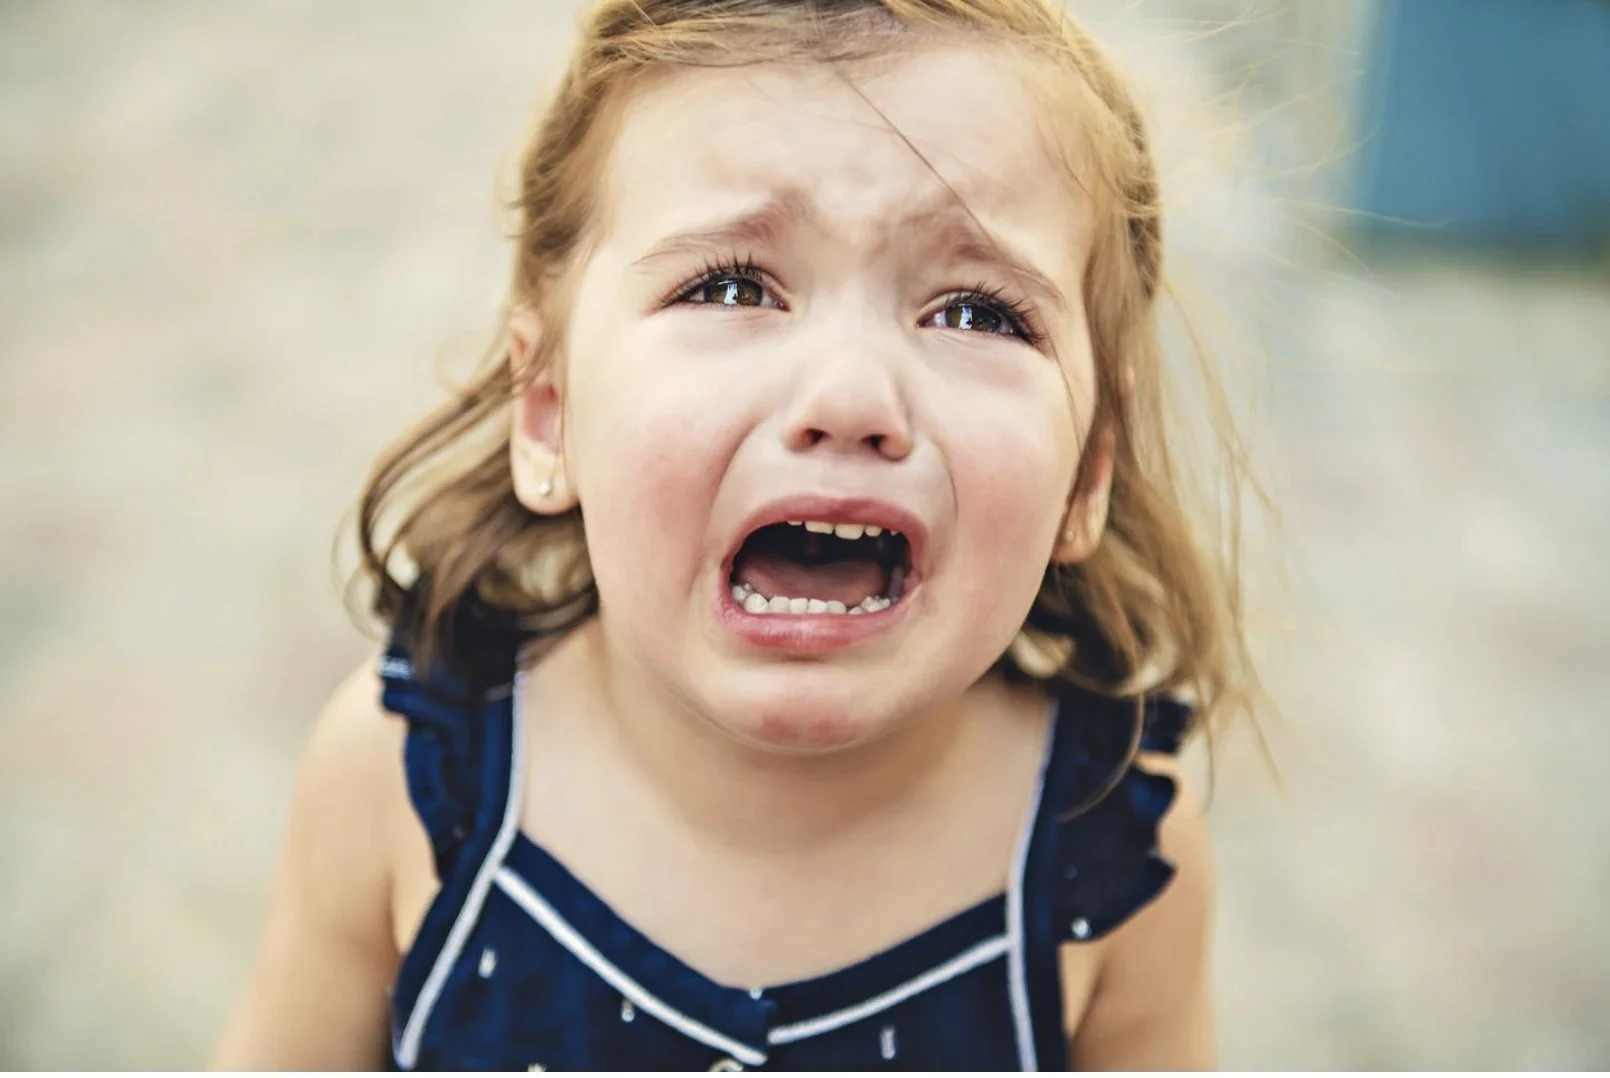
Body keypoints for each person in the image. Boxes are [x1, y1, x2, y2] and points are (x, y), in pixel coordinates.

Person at [213, 0, 1261, 1069]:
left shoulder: (1116, 857)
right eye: (730, 286)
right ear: (550, 414)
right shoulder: (397, 778)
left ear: (1086, 469)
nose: (849, 394)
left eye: (976, 312)